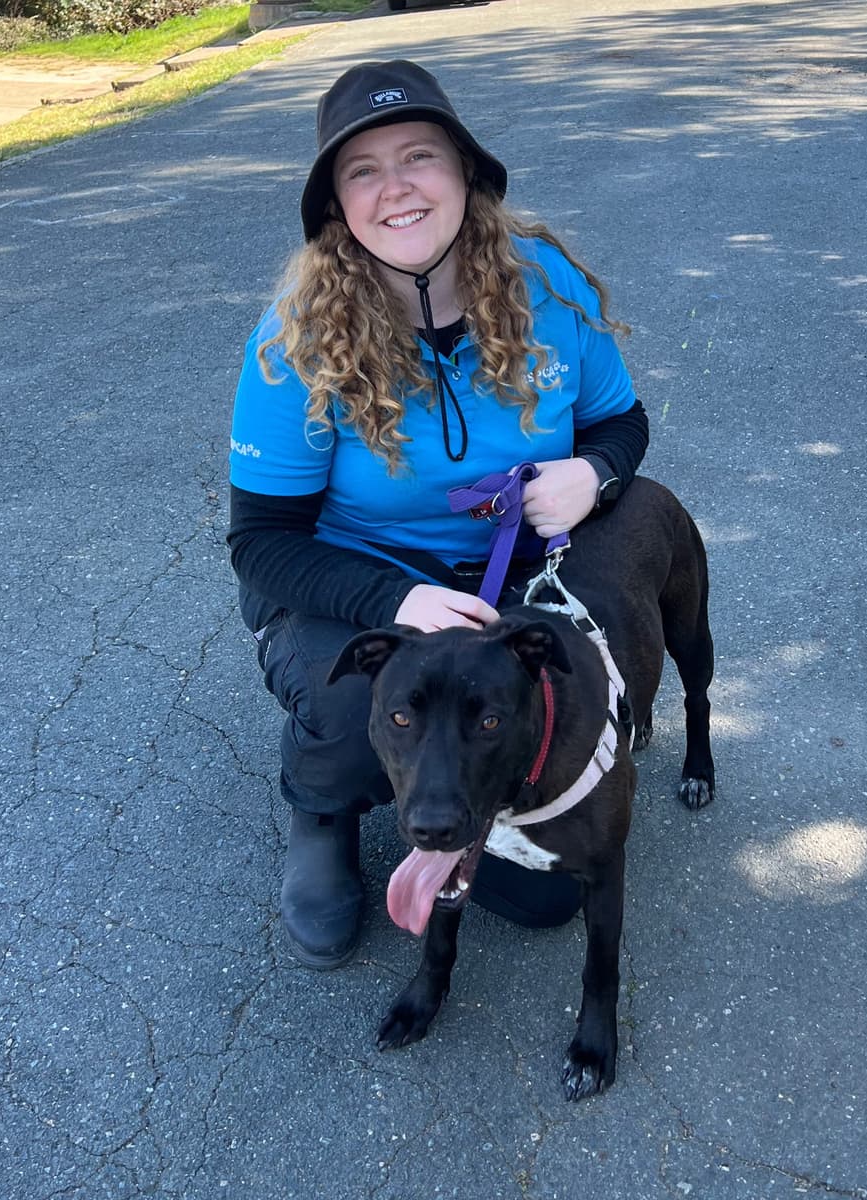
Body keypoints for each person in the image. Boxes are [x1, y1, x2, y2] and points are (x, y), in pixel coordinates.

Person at [227, 59, 648, 968]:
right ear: (337, 205)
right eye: (363, 169)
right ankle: (324, 808)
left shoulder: (547, 285)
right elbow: (261, 543)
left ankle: (486, 805)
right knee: (360, 702)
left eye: (419, 156)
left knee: (542, 901)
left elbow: (621, 418)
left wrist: (597, 470)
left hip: (518, 567)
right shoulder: (293, 337)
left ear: (466, 173)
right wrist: (394, 602)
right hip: (349, 584)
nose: (397, 188)